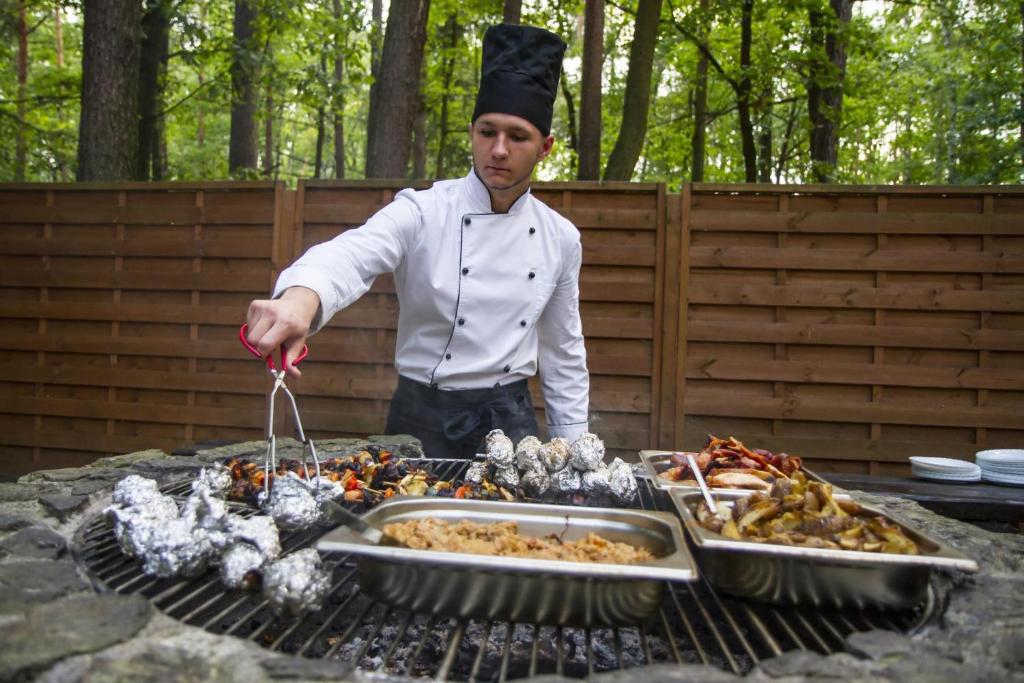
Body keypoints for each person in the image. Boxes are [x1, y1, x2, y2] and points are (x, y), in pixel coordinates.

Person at [244, 23, 589, 459]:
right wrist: (300, 298)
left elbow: (563, 353)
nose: (499, 149)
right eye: (487, 132)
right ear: (472, 132)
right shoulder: (423, 210)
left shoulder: (560, 238)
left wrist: (575, 452)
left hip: (512, 418)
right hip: (422, 417)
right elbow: (353, 253)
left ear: (545, 147)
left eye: (518, 137)